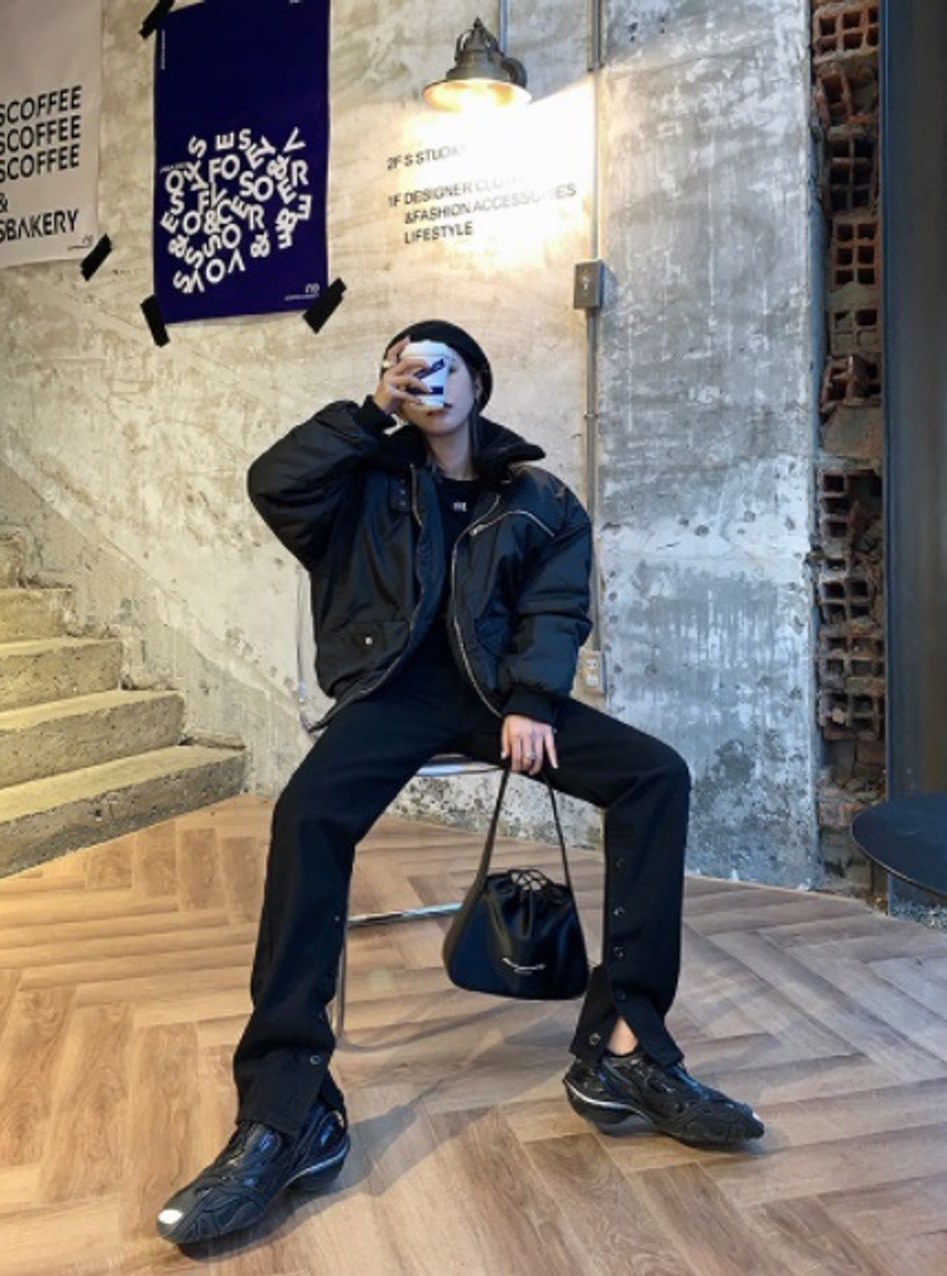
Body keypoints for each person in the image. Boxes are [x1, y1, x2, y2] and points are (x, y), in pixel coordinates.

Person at [156, 319, 764, 1246]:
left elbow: (555, 605)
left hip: (498, 699)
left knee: (656, 776)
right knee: (307, 814)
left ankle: (625, 1048)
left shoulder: (539, 498)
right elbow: (273, 482)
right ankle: (287, 1109)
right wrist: (369, 412)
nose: (423, 377)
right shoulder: (358, 475)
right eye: (403, 365)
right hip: (389, 696)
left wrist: (533, 700)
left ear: (477, 382)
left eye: (441, 364)